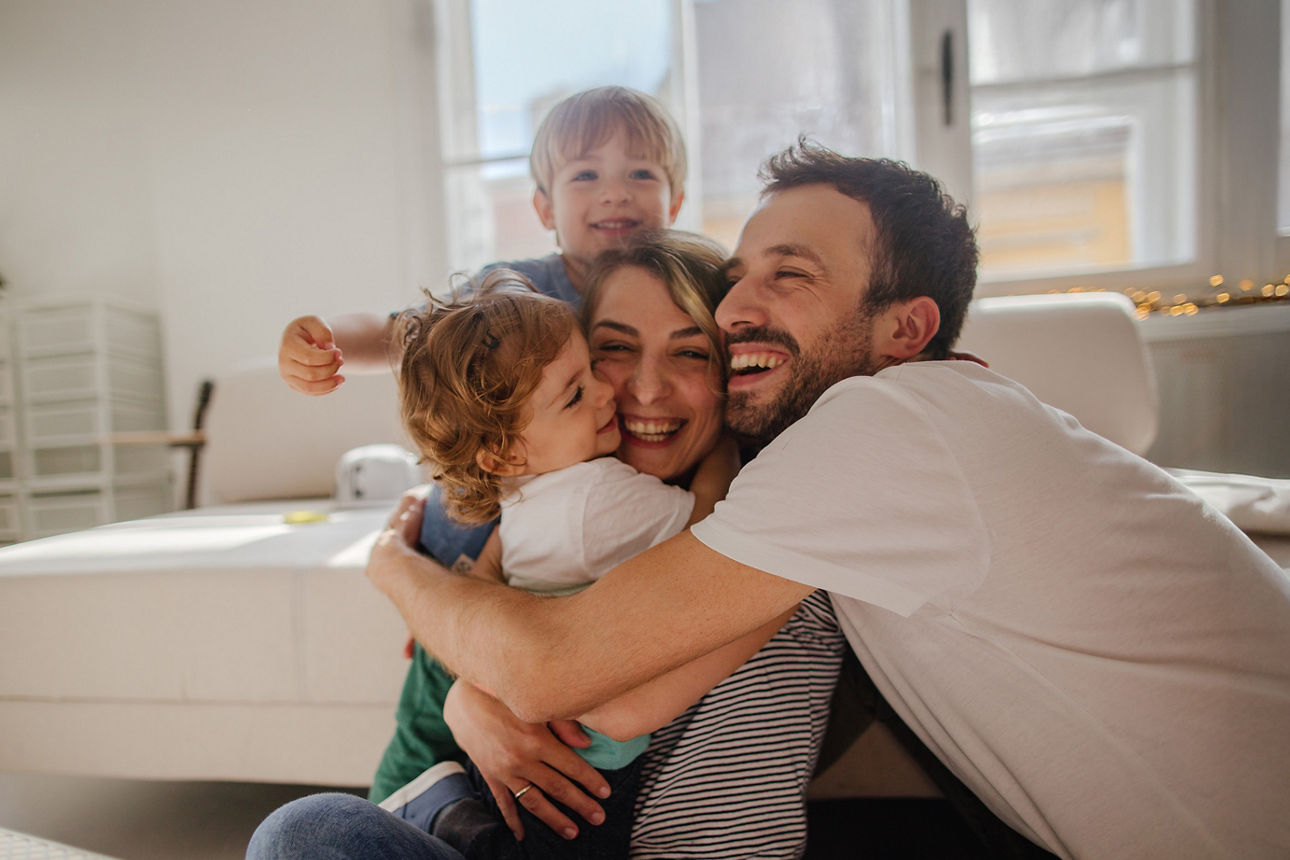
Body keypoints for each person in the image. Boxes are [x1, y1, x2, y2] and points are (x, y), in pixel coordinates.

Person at [364, 142, 1290, 858]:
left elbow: (564, 678)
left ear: (906, 330)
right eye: (739, 279)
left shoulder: (885, 427)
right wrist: (466, 694)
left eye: (790, 275)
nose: (735, 313)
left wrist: (393, 568)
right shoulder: (873, 451)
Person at [248, 232, 845, 859]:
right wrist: (464, 689)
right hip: (500, 806)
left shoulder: (771, 544)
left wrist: (400, 574)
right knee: (305, 833)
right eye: (612, 349)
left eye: (691, 353)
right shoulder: (547, 507)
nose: (636, 389)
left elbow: (592, 697)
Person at [276, 85, 686, 397]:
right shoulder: (509, 289)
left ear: (675, 204)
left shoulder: (696, 290)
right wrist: (326, 338)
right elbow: (403, 333)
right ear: (545, 209)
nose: (614, 193)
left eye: (640, 174)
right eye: (585, 176)